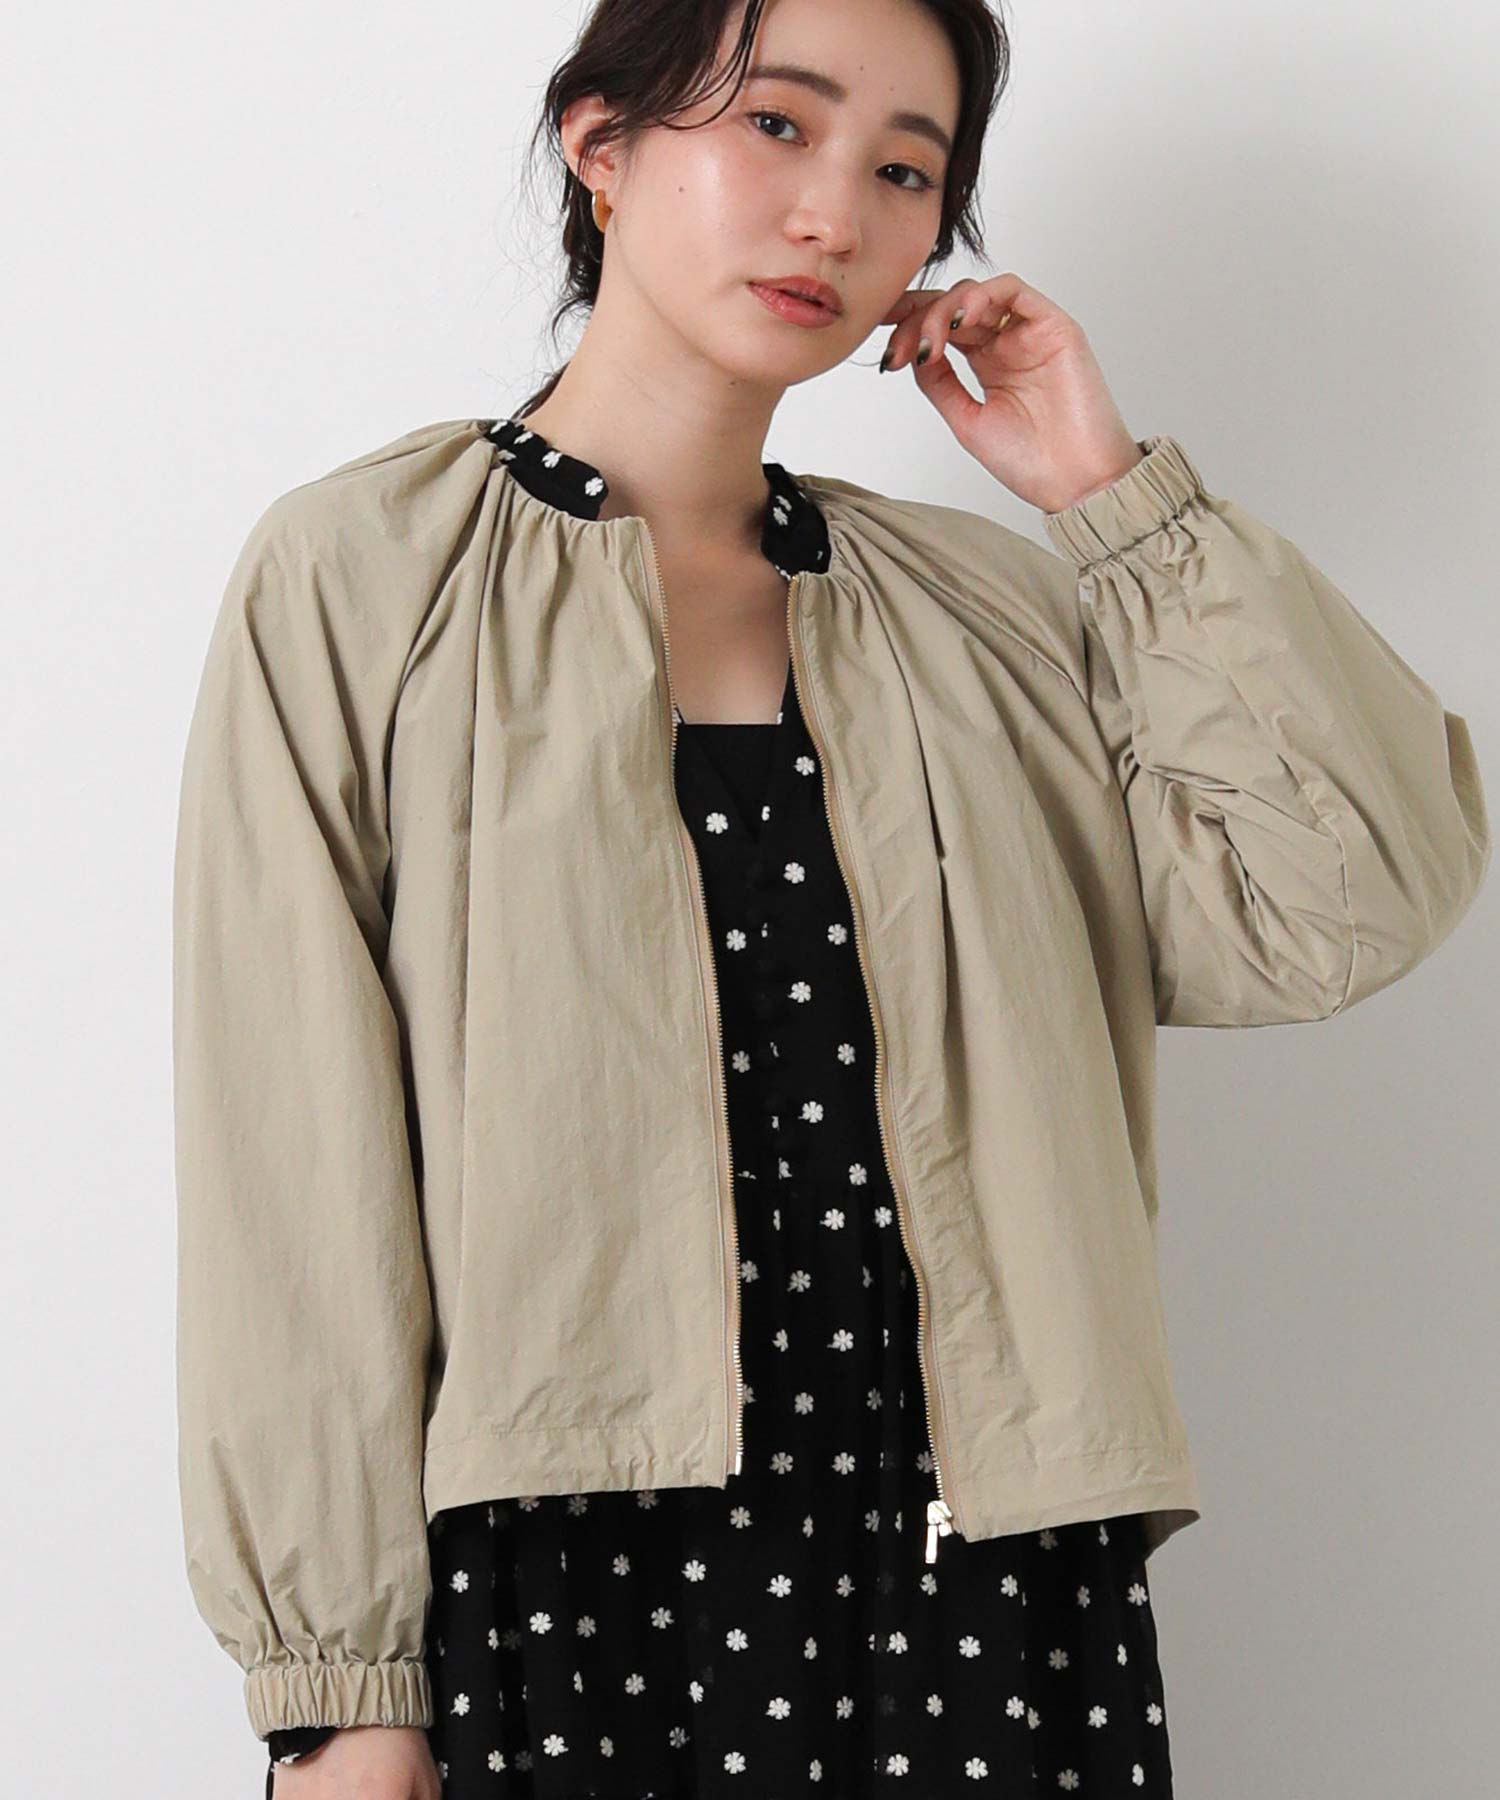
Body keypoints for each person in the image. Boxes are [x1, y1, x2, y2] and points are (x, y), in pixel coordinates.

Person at [170, 0, 1490, 1795]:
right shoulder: (368, 580)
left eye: (904, 172)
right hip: (572, 1579)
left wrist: (1110, 497)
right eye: (777, 126)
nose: (834, 213)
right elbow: (293, 1167)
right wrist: (342, 1685)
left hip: (992, 1572)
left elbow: (1346, 897)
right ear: (602, 145)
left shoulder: (975, 616)